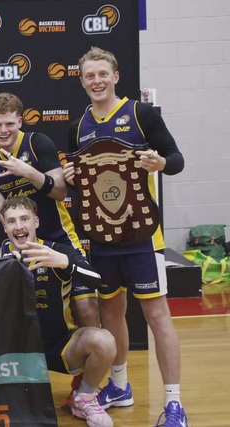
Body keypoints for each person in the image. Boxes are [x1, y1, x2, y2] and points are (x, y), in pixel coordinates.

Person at [64, 46, 187, 427]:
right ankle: (119, 386)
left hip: (142, 237)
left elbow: (176, 159)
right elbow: (81, 187)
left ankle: (174, 405)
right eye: (89, 75)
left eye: (103, 74)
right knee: (111, 313)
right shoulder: (78, 127)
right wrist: (70, 180)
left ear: (116, 76)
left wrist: (161, 163)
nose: (97, 81)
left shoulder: (140, 113)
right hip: (102, 240)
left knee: (157, 316)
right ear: (82, 81)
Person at [0, 92, 99, 403]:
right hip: (22, 242)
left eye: (9, 123)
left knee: (86, 308)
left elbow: (60, 191)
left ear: (20, 121)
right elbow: (2, 210)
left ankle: (84, 389)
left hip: (59, 239)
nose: (3, 130)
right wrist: (13, 240)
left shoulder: (37, 143)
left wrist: (26, 171)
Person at [0, 196, 115, 427]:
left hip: (57, 347)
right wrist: (1, 272)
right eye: (11, 221)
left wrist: (66, 263)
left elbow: (97, 280)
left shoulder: (56, 251)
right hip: (13, 353)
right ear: (5, 227)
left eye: (24, 219)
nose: (19, 226)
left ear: (36, 222)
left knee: (104, 341)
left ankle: (84, 398)